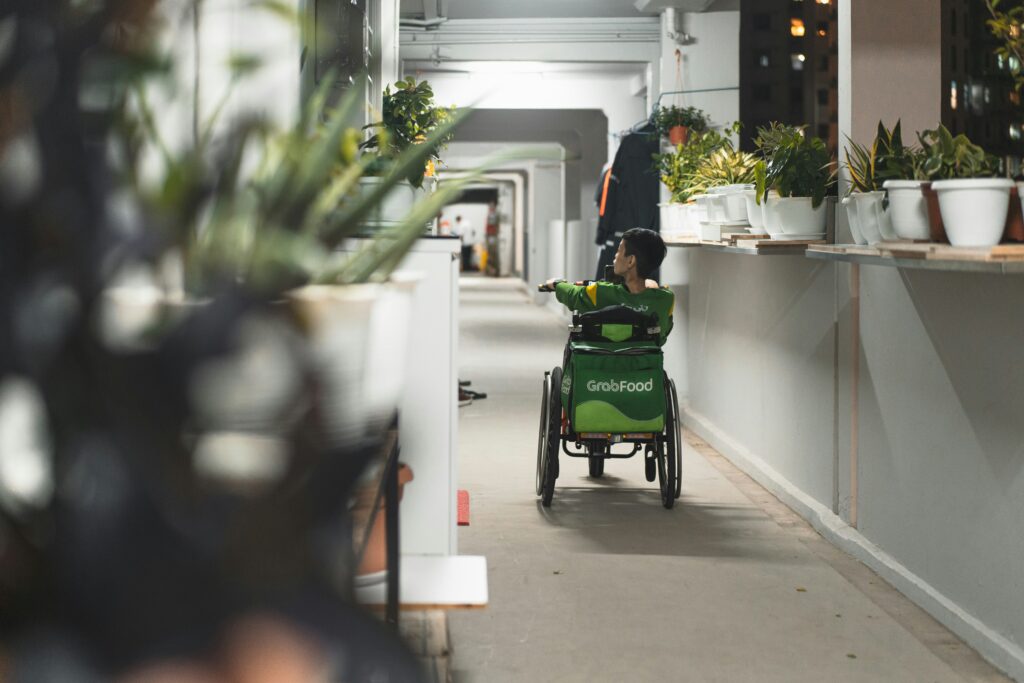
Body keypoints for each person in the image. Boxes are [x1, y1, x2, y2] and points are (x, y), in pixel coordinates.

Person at [544, 228, 674, 345]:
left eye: (619, 251)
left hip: (603, 365)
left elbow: (573, 294)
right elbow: (663, 335)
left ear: (631, 261)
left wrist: (557, 284)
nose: (615, 256)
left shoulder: (601, 292)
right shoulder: (666, 300)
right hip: (643, 367)